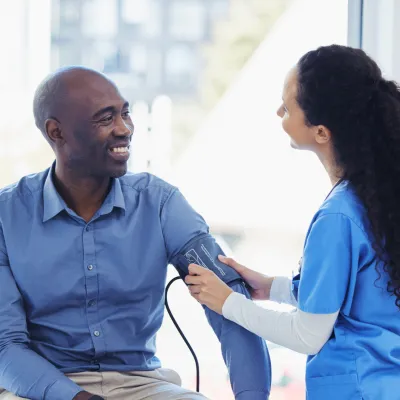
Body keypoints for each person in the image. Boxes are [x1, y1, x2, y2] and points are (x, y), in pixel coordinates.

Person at [0, 67, 271, 400]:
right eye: (105, 119)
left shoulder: (161, 203)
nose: (124, 129)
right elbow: (5, 346)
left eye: (125, 113)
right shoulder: (6, 215)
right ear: (57, 132)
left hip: (142, 384)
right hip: (44, 387)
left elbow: (230, 305)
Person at [186, 44, 400, 400]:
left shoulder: (337, 217)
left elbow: (308, 334)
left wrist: (227, 302)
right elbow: (360, 298)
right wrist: (272, 288)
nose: (278, 112)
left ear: (321, 132)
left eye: (288, 106)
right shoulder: (379, 202)